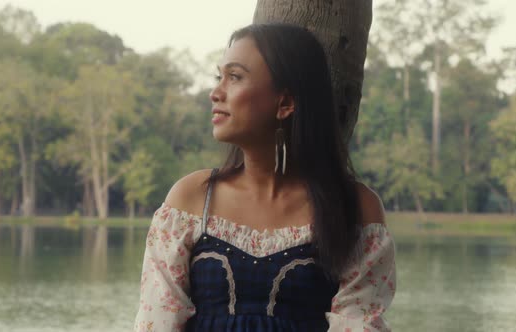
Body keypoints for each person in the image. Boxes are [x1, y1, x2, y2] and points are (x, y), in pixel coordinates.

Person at [133, 23, 396, 332]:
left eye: (235, 77)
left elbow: (358, 324)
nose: (215, 93)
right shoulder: (191, 198)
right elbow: (158, 321)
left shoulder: (355, 208)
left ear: (285, 103)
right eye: (219, 77)